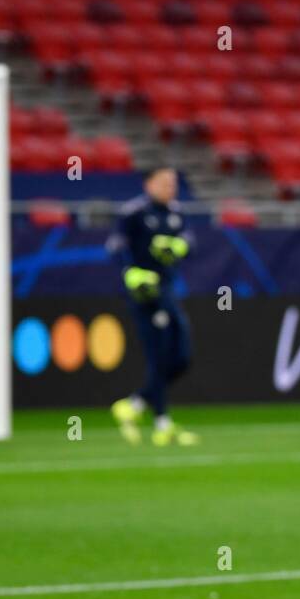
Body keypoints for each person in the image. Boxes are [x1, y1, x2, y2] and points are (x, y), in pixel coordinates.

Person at [108, 165, 198, 447]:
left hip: (168, 291)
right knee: (158, 355)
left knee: (182, 355)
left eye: (173, 182)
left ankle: (135, 405)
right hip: (146, 295)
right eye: (164, 182)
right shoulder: (134, 213)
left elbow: (190, 240)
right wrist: (131, 274)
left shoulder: (176, 212)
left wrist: (179, 246)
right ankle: (162, 424)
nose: (170, 187)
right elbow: (115, 247)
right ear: (149, 184)